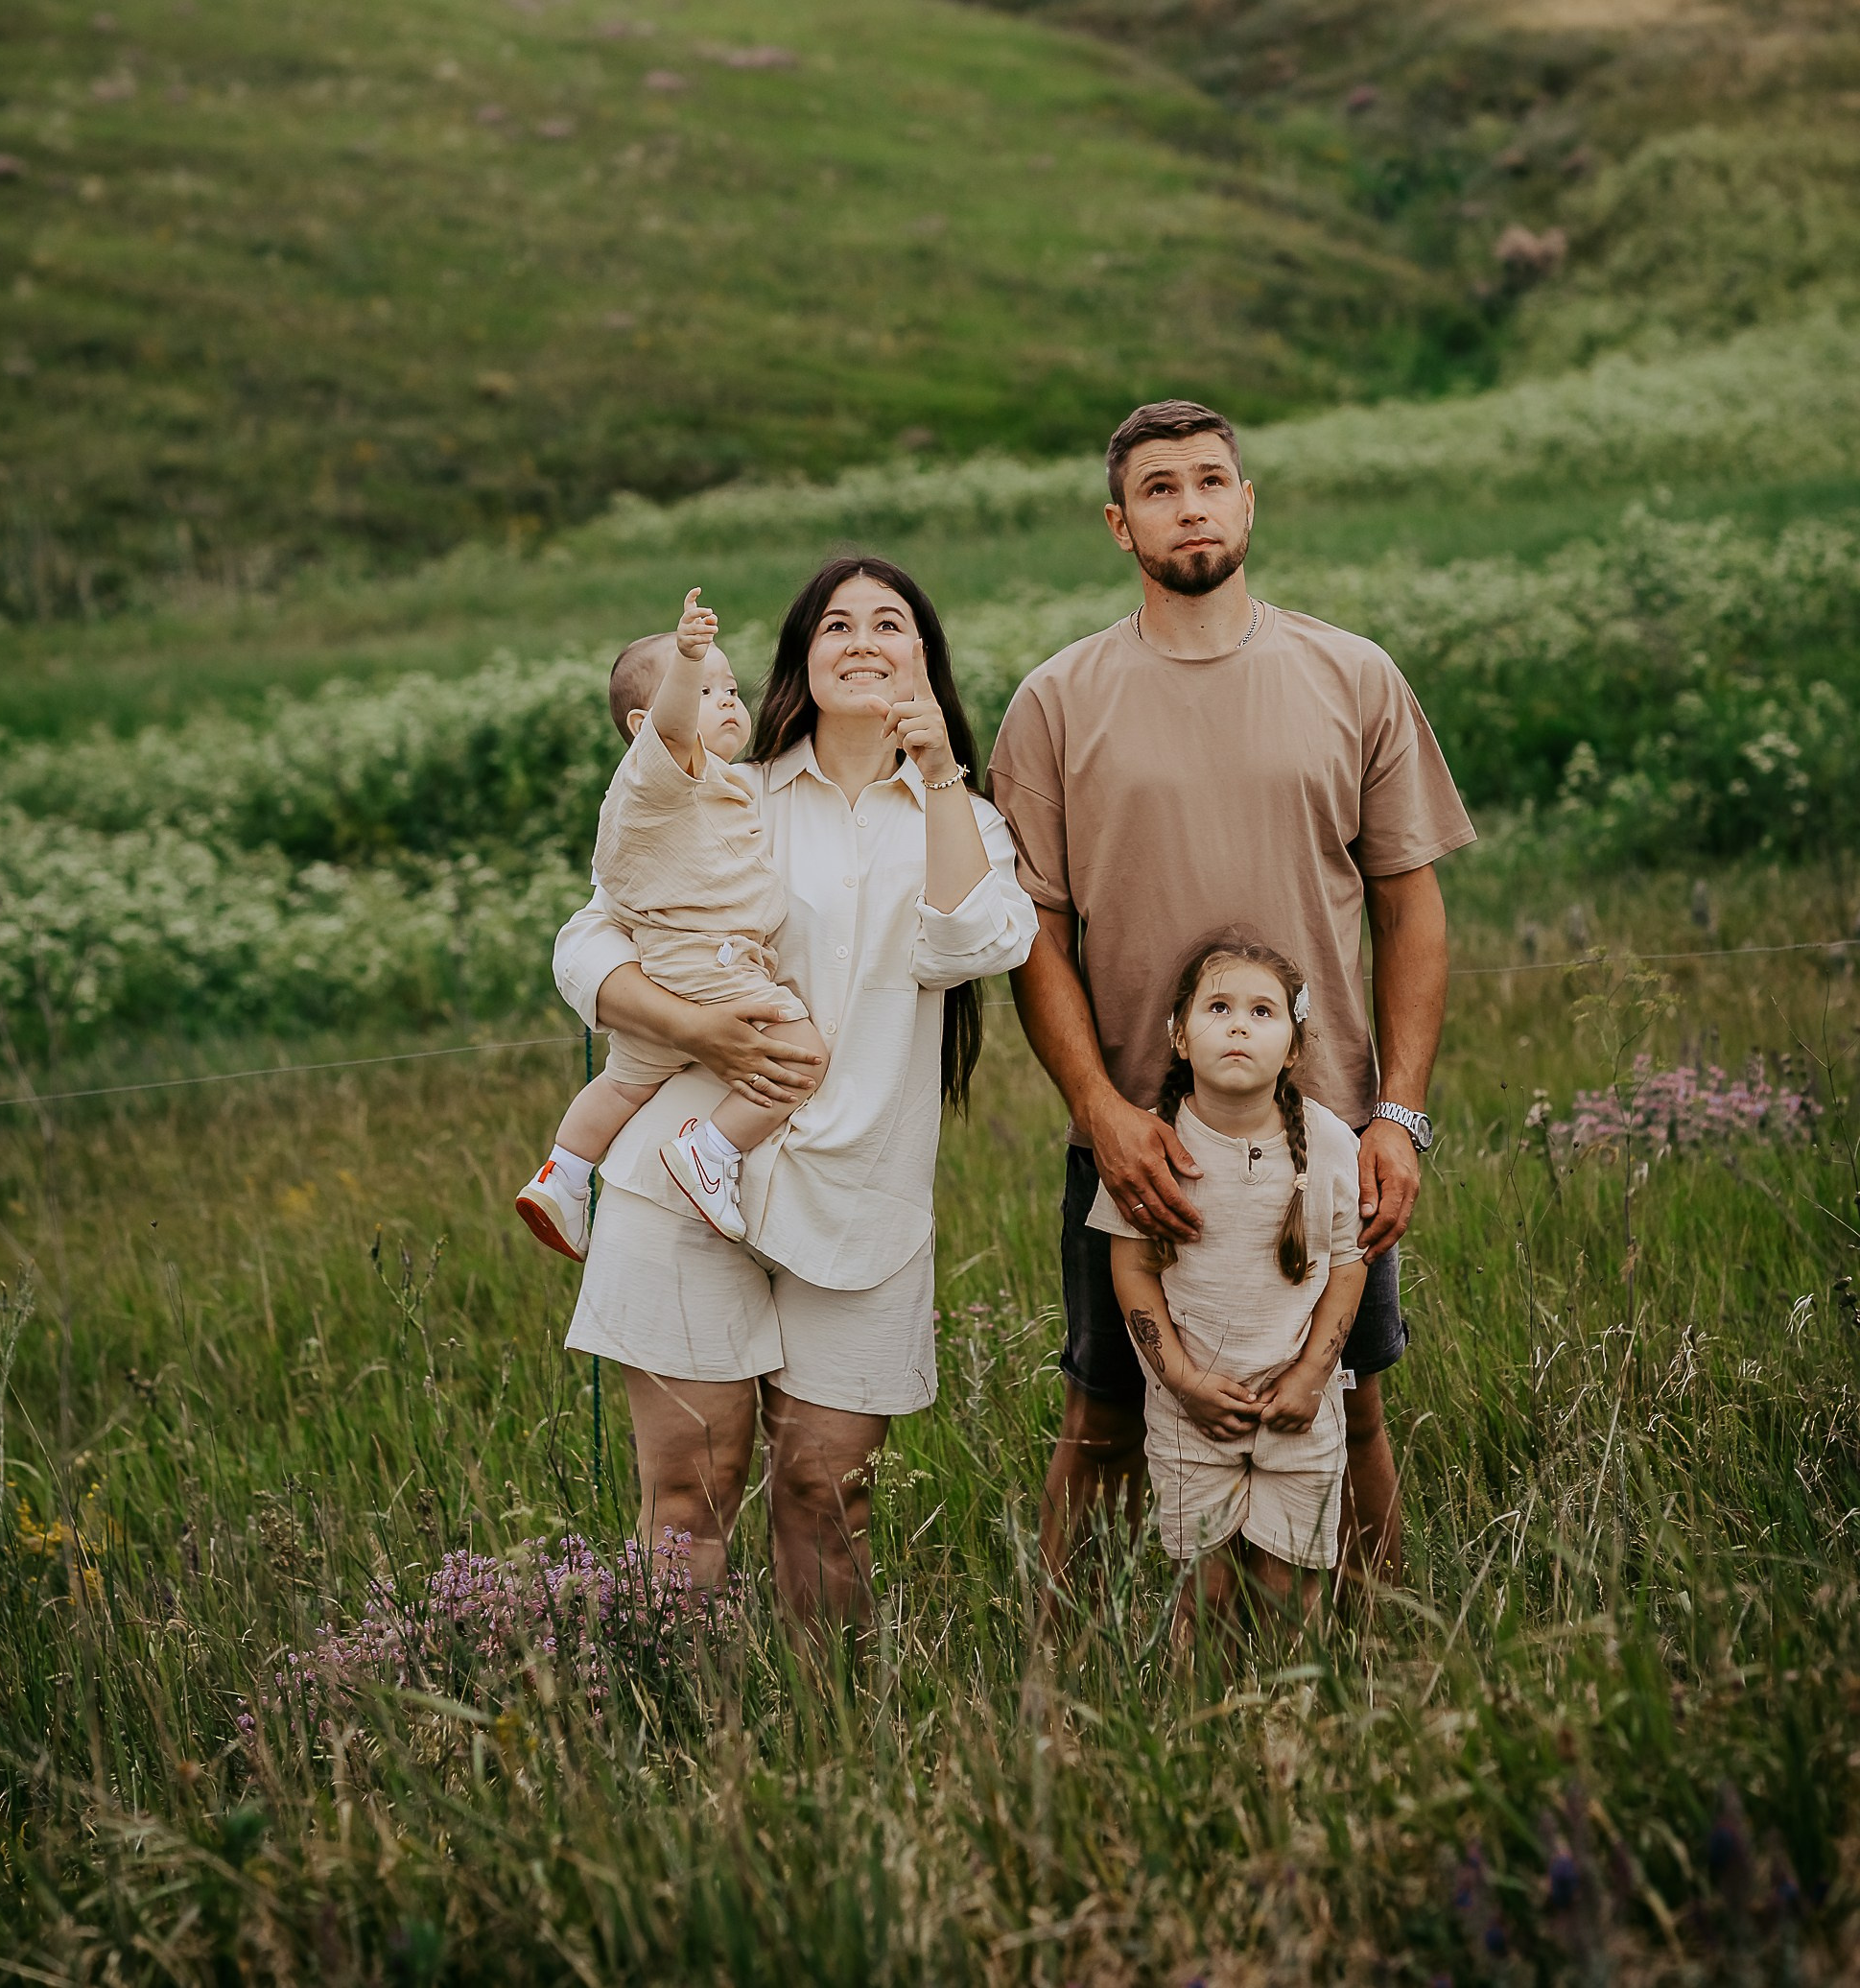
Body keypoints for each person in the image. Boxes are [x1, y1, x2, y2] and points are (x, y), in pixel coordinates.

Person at [986, 396, 1474, 1586]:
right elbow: (1031, 938)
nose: (1189, 504)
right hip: (1138, 1142)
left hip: (1329, 1139)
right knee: (1102, 1418)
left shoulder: (1350, 675)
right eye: (1159, 488)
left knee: (1347, 1413)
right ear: (1119, 525)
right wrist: (1103, 1116)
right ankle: (1066, 1685)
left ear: (1246, 503)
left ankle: (1375, 1666)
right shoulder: (1055, 702)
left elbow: (1410, 907)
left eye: (1210, 480)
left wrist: (1395, 1120)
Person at [551, 556, 1037, 1627]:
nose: (862, 641)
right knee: (688, 1499)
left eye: (890, 623)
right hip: (684, 1178)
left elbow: (973, 940)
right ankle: (685, 1745)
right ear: (799, 659)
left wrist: (943, 770)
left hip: (862, 1197)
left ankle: (829, 1743)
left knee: (828, 1495)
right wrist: (693, 1027)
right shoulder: (731, 786)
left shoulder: (961, 818)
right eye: (835, 626)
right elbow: (588, 942)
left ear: (924, 655)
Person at [517, 585, 827, 1259]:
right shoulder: (661, 776)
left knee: (625, 1081)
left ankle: (562, 1175)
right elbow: (672, 726)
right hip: (707, 964)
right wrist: (688, 657)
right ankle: (710, 1151)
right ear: (642, 727)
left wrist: (693, 669)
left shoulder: (715, 782)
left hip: (671, 966)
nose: (726, 701)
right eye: (704, 691)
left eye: (731, 687)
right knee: (803, 1054)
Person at [1097, 932, 1365, 1637]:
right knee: (1202, 1596)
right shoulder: (1153, 1144)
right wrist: (1182, 1380)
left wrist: (1311, 1376)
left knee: (1290, 1595)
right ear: (1179, 1036)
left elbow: (1348, 1262)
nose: (1239, 1025)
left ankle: (1295, 1730)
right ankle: (1196, 1737)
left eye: (1262, 1012)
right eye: (1217, 1008)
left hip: (1299, 1408)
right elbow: (1131, 1268)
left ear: (1295, 1047)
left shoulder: (1332, 1142)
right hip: (1189, 1412)